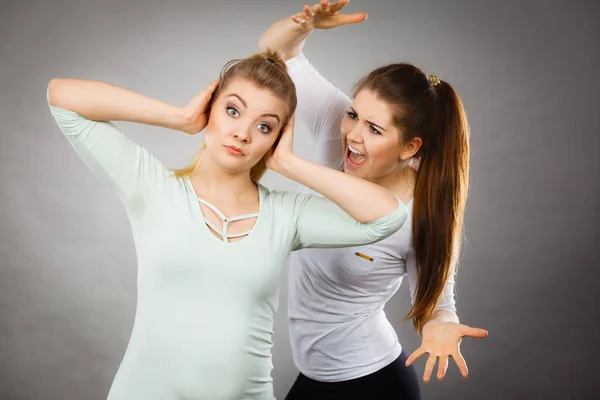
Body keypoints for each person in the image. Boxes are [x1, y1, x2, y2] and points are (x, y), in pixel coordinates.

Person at [46, 50, 407, 400]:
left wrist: (288, 164)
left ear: (275, 139)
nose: (243, 133)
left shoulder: (287, 215)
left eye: (264, 126)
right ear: (211, 108)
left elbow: (388, 215)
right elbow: (62, 96)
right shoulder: (152, 187)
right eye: (232, 110)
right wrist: (181, 117)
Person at [258, 2, 489, 399]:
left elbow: (438, 301)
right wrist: (305, 25)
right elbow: (276, 53)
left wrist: (440, 326)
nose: (352, 135)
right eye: (353, 115)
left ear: (409, 147)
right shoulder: (339, 128)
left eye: (375, 129)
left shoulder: (422, 212)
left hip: (372, 385)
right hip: (314, 377)